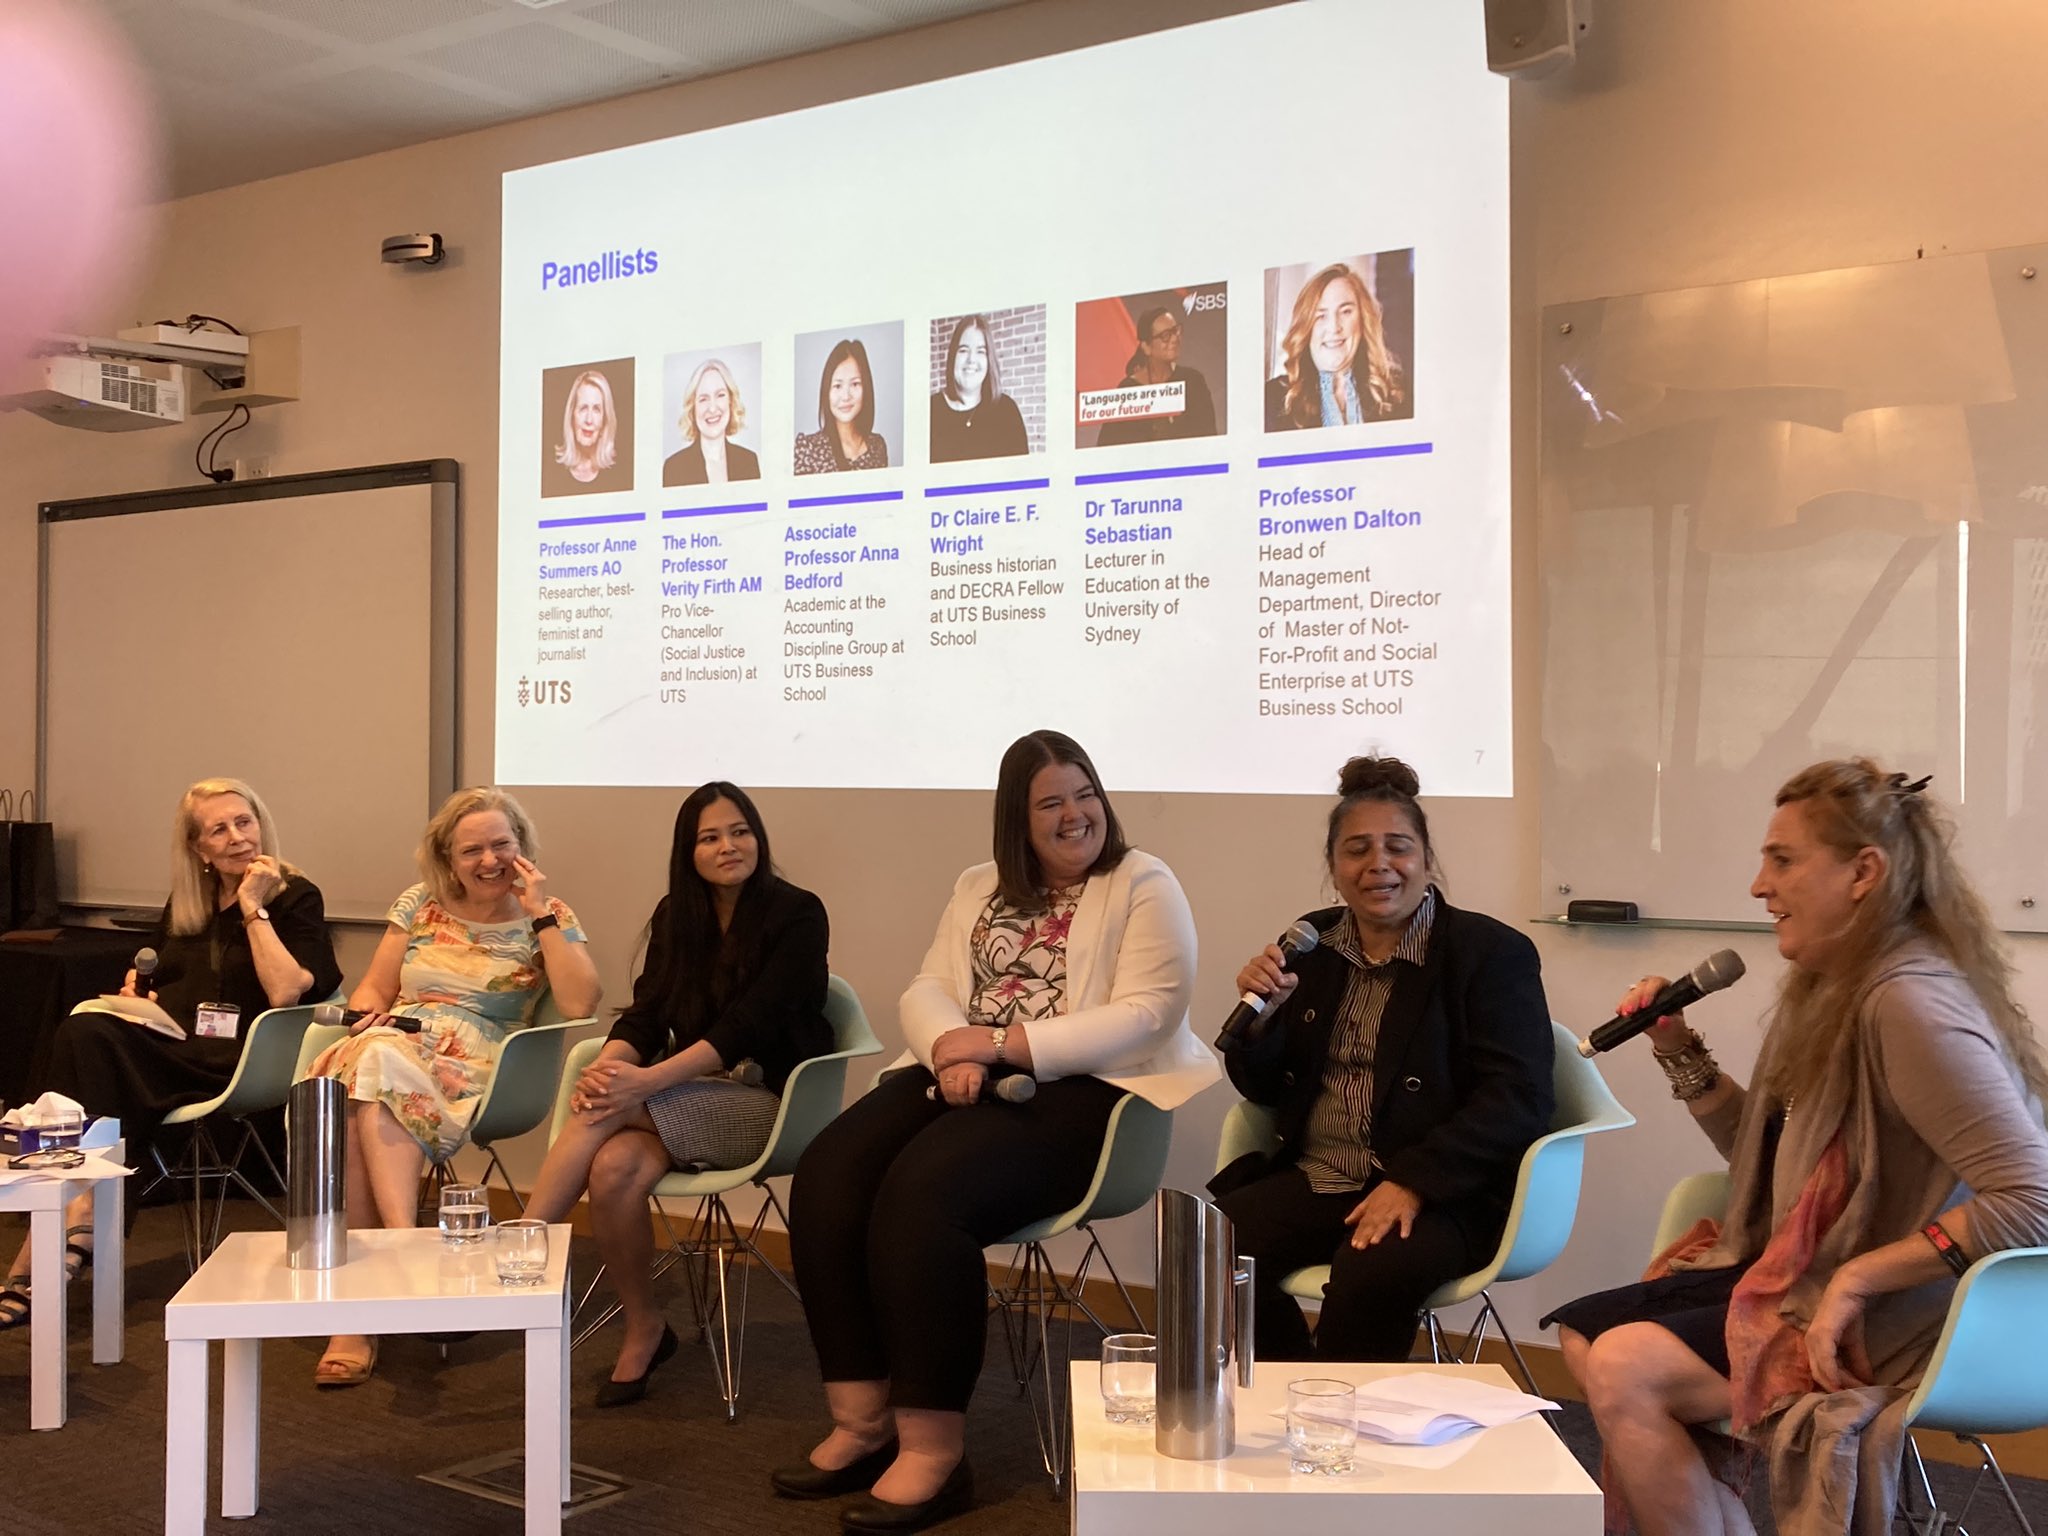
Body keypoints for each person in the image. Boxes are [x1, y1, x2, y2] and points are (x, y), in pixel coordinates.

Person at [1546, 760, 2048, 1536]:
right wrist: (1678, 1048)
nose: (1758, 885)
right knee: (1585, 1333)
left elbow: (2034, 1201)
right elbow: (1769, 1160)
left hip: (1916, 1309)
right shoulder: (1836, 987)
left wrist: (1856, 1278)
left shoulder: (1908, 1001)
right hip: (1813, 1273)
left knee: (1625, 1368)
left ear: (1863, 873)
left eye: (1782, 860)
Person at [779, 730, 1216, 1531]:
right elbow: (931, 982)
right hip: (962, 1067)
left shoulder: (1142, 882)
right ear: (1017, 819)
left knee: (923, 1195)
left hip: (1089, 1091)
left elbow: (1150, 1013)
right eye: (1050, 801)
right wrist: (951, 1046)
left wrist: (1004, 1045)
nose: (1075, 814)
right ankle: (862, 1422)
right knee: (831, 1170)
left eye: (1085, 794)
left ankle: (933, 1452)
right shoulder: (979, 883)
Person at [1209, 755, 1554, 1361]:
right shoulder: (1311, 942)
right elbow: (1266, 1091)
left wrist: (1414, 1181)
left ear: (1425, 859)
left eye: (1398, 846)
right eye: (1357, 850)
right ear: (1334, 869)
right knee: (1211, 1247)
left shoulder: (1489, 952)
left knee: (1372, 1273)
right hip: (1322, 1175)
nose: (1379, 865)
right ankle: (1291, 1395)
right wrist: (1260, 1025)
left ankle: (1342, 1427)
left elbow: (1517, 1097)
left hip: (1444, 1192)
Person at [525, 783, 830, 1406]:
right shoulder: (677, 915)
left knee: (609, 1106)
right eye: (710, 837)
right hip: (681, 1098)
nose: (728, 846)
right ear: (688, 852)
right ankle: (644, 1325)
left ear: (758, 837)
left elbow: (750, 1024)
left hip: (769, 1102)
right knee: (611, 1167)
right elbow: (646, 1013)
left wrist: (642, 1083)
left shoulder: (798, 912)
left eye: (740, 831)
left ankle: (521, 1251)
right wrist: (610, 1068)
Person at [0, 777, 340, 1331]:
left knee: (94, 1048)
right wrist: (139, 996)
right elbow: (171, 984)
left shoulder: (294, 895)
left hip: (241, 1061)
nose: (237, 838)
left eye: (244, 822)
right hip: (172, 1048)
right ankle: (79, 1217)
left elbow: (286, 991)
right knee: (88, 1028)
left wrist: (254, 908)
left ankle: (71, 1223)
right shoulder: (190, 901)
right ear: (198, 848)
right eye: (219, 830)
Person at [306, 787, 600, 1388]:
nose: (489, 860)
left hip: (481, 1061)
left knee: (362, 1077)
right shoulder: (420, 904)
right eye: (473, 851)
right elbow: (373, 990)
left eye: (502, 845)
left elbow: (579, 1002)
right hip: (397, 1040)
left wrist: (539, 910)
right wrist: (368, 1016)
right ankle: (405, 1255)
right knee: (364, 1069)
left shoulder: (550, 914)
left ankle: (361, 1312)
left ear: (522, 848)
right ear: (448, 858)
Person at [1264, 261, 1407, 431]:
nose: (1334, 327)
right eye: (1321, 316)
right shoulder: (1271, 399)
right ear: (1306, 327)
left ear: (1362, 320)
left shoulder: (1398, 394)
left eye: (1346, 311)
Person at [1094, 303, 1216, 446]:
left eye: (1175, 330)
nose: (1175, 338)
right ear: (1146, 347)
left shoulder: (1193, 381)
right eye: (1165, 335)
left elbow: (1209, 439)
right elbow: (1107, 448)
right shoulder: (1128, 390)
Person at [928, 314, 1027, 464]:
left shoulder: (1007, 410)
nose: (971, 360)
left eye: (981, 351)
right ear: (952, 356)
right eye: (963, 350)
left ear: (989, 360)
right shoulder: (930, 411)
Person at [662, 358, 761, 487]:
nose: (712, 408)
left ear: (731, 401)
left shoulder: (749, 461)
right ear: (693, 407)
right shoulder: (674, 467)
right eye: (703, 399)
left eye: (720, 395)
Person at [795, 338, 889, 473]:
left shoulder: (877, 446)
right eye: (837, 386)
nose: (846, 396)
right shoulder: (807, 449)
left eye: (855, 384)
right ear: (826, 391)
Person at [544, 368, 621, 493]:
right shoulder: (549, 472)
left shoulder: (619, 477)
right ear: (571, 415)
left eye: (596, 409)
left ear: (605, 419)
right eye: (583, 408)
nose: (589, 420)